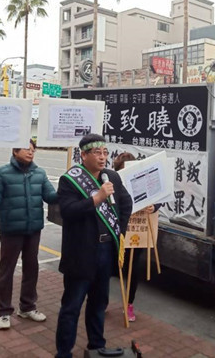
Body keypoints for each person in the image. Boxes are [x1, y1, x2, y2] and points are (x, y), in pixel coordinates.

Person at [55, 134, 133, 358]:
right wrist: (97, 198)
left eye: (105, 152)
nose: (102, 157)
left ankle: (96, 346)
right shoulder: (69, 180)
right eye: (97, 153)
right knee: (72, 306)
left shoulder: (111, 177)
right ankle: (63, 352)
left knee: (99, 303)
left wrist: (121, 230)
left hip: (107, 250)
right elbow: (68, 212)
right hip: (81, 253)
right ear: (84, 155)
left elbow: (126, 204)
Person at [0, 139, 58, 330]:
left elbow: (51, 197)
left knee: (32, 268)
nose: (31, 152)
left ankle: (27, 307)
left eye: (33, 150)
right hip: (10, 230)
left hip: (33, 230)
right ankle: (4, 311)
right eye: (26, 149)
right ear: (15, 151)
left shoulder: (39, 173)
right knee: (7, 270)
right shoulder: (1, 173)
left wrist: (67, 189)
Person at [113, 152, 160, 323]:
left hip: (137, 233)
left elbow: (159, 197)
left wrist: (153, 206)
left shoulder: (144, 181)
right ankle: (100, 300)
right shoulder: (112, 183)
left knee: (133, 270)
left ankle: (129, 303)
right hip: (117, 233)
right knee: (110, 268)